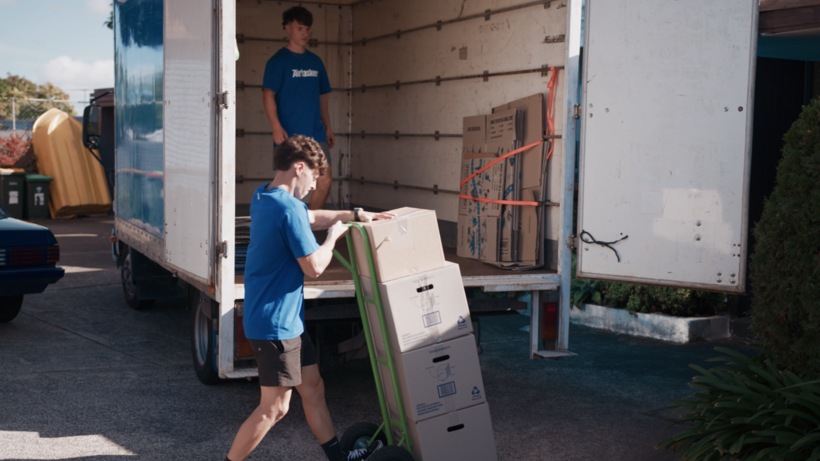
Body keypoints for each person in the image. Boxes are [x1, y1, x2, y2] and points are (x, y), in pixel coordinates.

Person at [226, 136, 395, 461]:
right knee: (274, 408)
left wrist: (355, 214)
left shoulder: (264, 195)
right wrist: (333, 238)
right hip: (275, 324)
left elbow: (310, 217)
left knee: (313, 388)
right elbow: (315, 267)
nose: (315, 185)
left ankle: (338, 458)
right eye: (315, 176)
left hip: (285, 320)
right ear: (299, 167)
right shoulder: (288, 208)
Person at [263, 6, 335, 211]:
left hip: (316, 133)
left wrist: (328, 127)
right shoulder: (278, 61)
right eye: (300, 28)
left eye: (307, 29)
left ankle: (309, 221)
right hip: (289, 133)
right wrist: (276, 126)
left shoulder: (316, 62)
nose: (305, 33)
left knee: (324, 180)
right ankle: (286, 222)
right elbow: (267, 94)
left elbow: (322, 96)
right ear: (287, 28)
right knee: (289, 184)